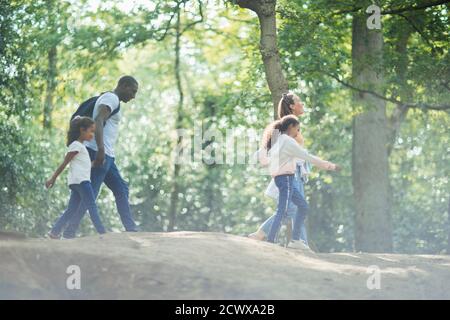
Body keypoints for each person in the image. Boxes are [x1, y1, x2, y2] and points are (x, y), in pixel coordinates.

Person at [62, 76, 139, 238]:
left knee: (121, 188)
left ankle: (131, 228)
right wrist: (101, 150)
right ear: (124, 86)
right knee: (88, 194)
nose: (133, 96)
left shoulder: (110, 98)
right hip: (98, 153)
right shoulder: (112, 98)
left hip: (107, 156)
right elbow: (98, 119)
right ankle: (68, 233)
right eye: (133, 91)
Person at [261, 115, 340, 245]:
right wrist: (329, 165)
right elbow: (306, 156)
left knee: (303, 206)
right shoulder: (287, 141)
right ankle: (271, 240)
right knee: (283, 210)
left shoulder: (279, 140)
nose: (298, 133)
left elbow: (298, 158)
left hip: (288, 179)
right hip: (285, 179)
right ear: (291, 127)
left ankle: (296, 239)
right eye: (297, 129)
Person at [249, 93, 311, 247]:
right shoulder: (282, 126)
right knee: (292, 209)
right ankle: (265, 234)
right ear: (292, 106)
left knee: (296, 209)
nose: (302, 104)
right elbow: (270, 147)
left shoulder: (293, 125)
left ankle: (300, 242)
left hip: (296, 171)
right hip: (290, 173)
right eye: (299, 102)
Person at [46, 116, 106, 238]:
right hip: (82, 182)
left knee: (71, 209)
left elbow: (85, 165)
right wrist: (53, 178)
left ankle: (54, 232)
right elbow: (65, 163)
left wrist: (96, 163)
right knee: (92, 206)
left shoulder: (80, 146)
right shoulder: (76, 145)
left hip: (77, 182)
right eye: (91, 131)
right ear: (82, 130)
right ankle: (102, 232)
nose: (93, 135)